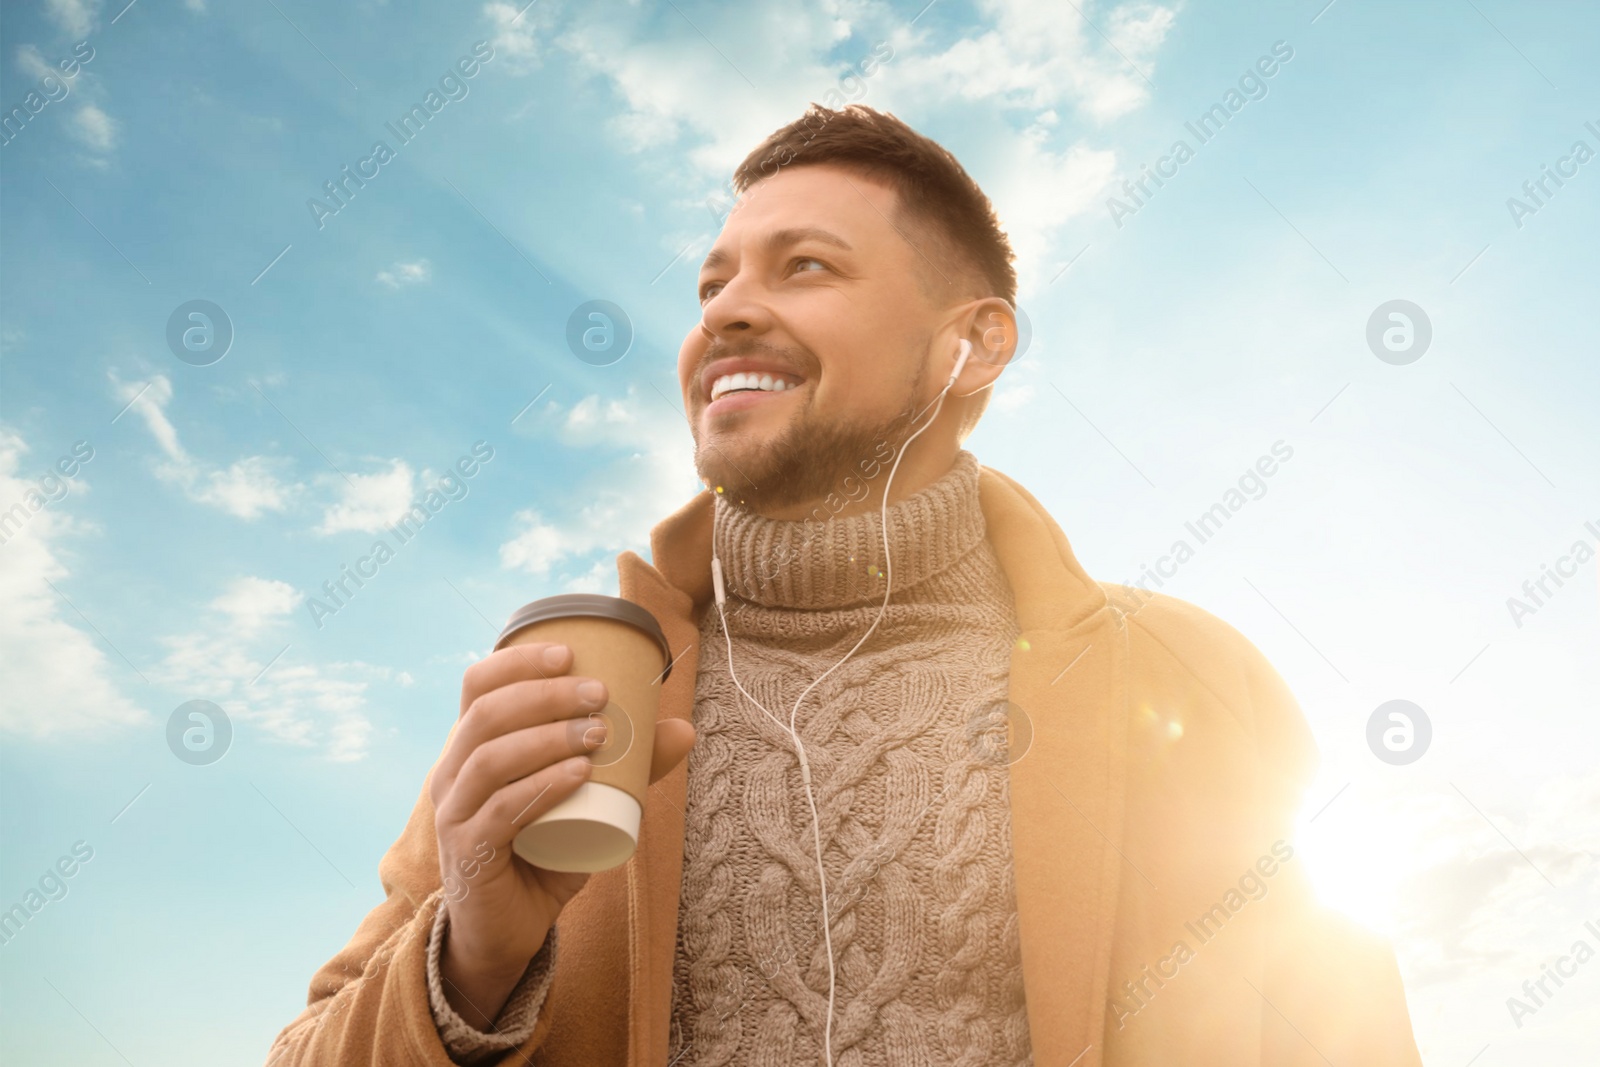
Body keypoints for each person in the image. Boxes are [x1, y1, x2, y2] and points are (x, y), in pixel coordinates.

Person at [266, 104, 1423, 1067]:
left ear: (972, 345)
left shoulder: (1180, 677)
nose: (722, 309)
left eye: (804, 266)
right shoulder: (568, 692)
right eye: (711, 282)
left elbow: (1339, 1033)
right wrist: (469, 959)